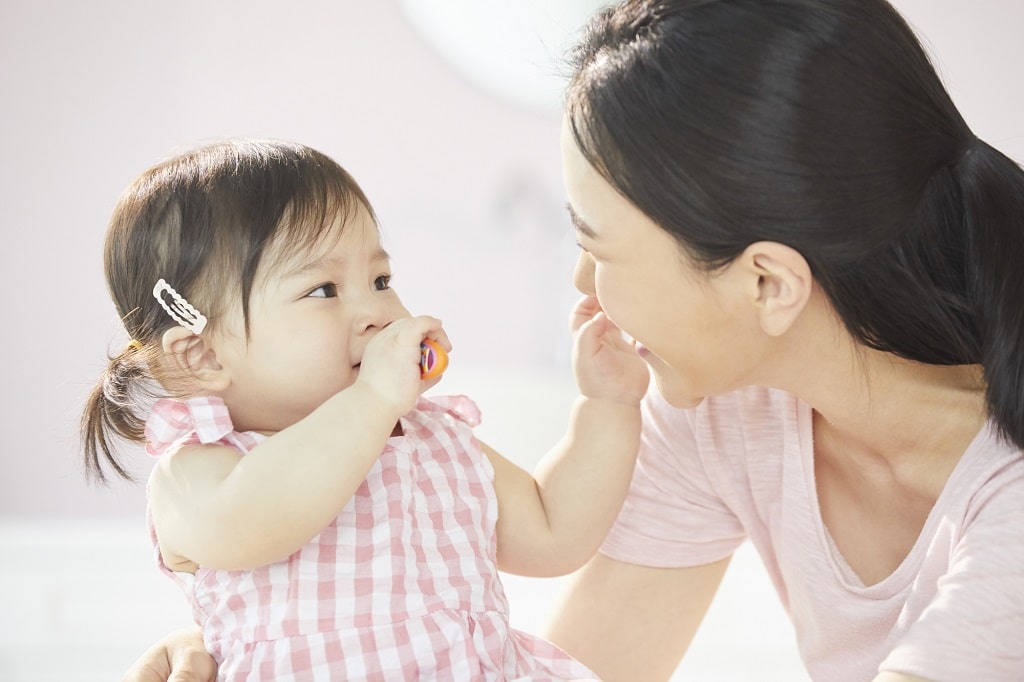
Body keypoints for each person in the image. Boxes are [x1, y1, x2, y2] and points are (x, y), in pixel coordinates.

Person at [123, 0, 1024, 680]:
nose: (582, 287)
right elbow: (592, 660)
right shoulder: (722, 412)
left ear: (765, 283)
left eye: (596, 248)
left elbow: (549, 528)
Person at [83, 138, 650, 680]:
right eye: (324, 290)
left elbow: (553, 530)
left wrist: (607, 404)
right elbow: (261, 520)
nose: (377, 311)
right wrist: (373, 399)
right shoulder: (197, 471)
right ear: (204, 353)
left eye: (380, 279)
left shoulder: (431, 440)